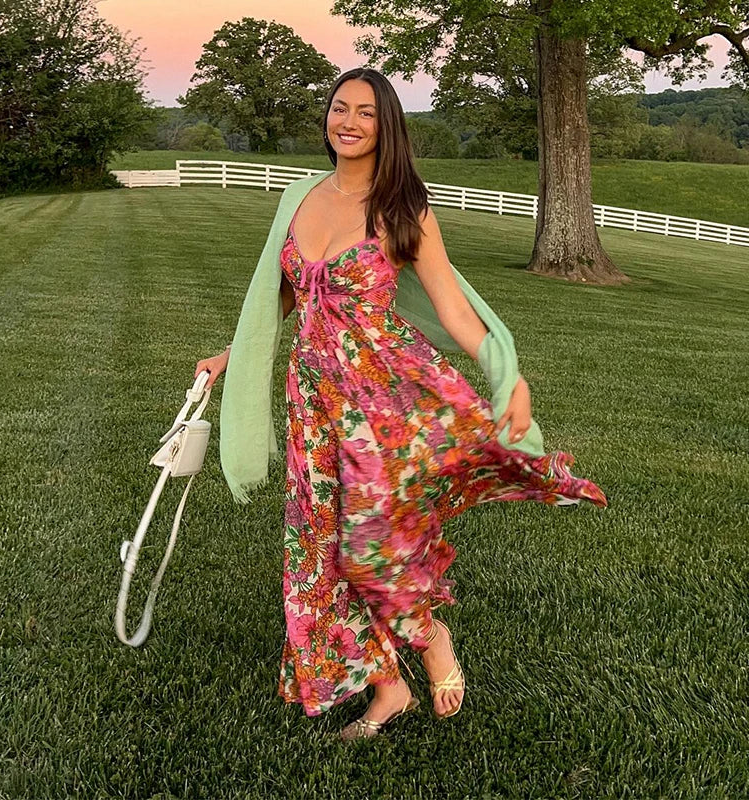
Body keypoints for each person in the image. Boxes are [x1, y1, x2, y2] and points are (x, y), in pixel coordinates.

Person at [195, 68, 606, 741]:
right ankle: (388, 691)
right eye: (338, 108)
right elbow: (292, 301)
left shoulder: (403, 210)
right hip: (315, 401)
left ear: (387, 127)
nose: (348, 121)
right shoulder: (299, 198)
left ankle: (429, 633)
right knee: (318, 553)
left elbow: (455, 312)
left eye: (365, 112)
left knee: (369, 548)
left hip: (386, 400)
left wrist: (510, 377)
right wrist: (231, 355)